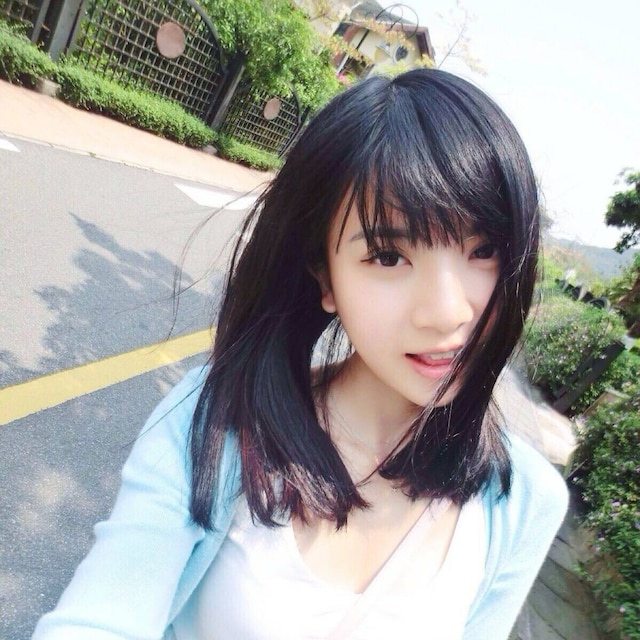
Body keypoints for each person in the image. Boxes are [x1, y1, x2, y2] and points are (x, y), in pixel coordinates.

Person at [33, 68, 568, 640]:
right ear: (325, 276)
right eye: (388, 256)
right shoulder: (216, 423)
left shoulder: (525, 500)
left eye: (483, 250)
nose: (446, 312)